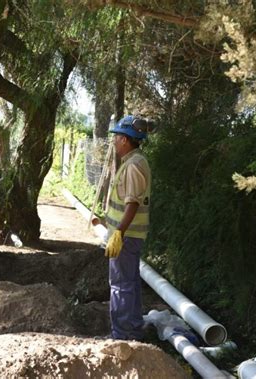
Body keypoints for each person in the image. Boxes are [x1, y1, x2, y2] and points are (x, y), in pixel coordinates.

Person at [105, 115, 152, 341]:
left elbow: (132, 203)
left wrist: (118, 233)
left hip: (126, 237)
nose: (114, 142)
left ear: (125, 140)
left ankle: (122, 337)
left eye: (116, 138)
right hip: (130, 236)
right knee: (129, 283)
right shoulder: (136, 161)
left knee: (121, 286)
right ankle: (132, 331)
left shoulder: (133, 166)